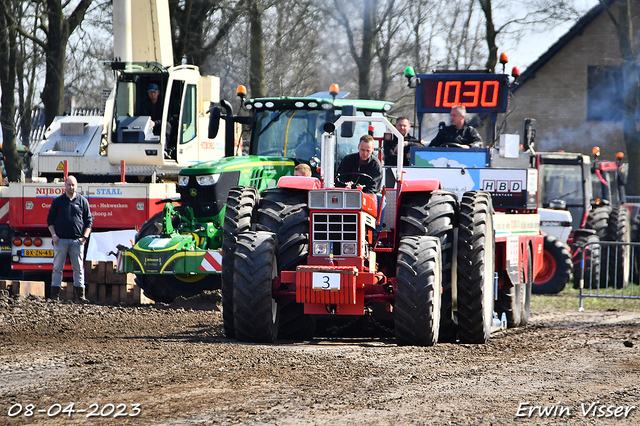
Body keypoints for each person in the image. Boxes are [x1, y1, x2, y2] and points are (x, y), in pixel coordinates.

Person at [47, 175, 93, 302]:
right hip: (60, 240)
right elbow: (50, 220)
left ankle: (80, 296)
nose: (71, 187)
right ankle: (54, 296)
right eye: (69, 184)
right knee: (57, 268)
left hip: (77, 242)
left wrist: (84, 237)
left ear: (76, 186)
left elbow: (89, 221)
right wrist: (54, 235)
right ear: (65, 185)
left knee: (78, 268)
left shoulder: (82, 201)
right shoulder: (58, 201)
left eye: (73, 185)